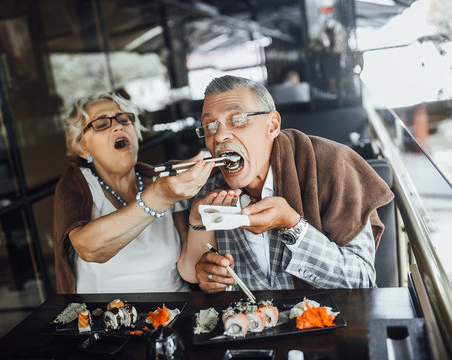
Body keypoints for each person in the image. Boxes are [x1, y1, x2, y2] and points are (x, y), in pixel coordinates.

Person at [185, 75, 394, 293]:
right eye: (209, 126)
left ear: (272, 125)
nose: (219, 137)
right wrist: (209, 277)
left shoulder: (333, 167)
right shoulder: (207, 192)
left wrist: (293, 226)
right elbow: (201, 275)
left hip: (323, 321)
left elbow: (361, 282)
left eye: (237, 119)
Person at [53, 92, 214, 294]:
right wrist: (159, 198)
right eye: (102, 124)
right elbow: (88, 248)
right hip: (108, 317)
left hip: (175, 311)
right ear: (83, 148)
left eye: (124, 119)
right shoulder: (78, 183)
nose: (118, 126)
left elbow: (189, 271)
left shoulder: (165, 181)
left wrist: (198, 220)